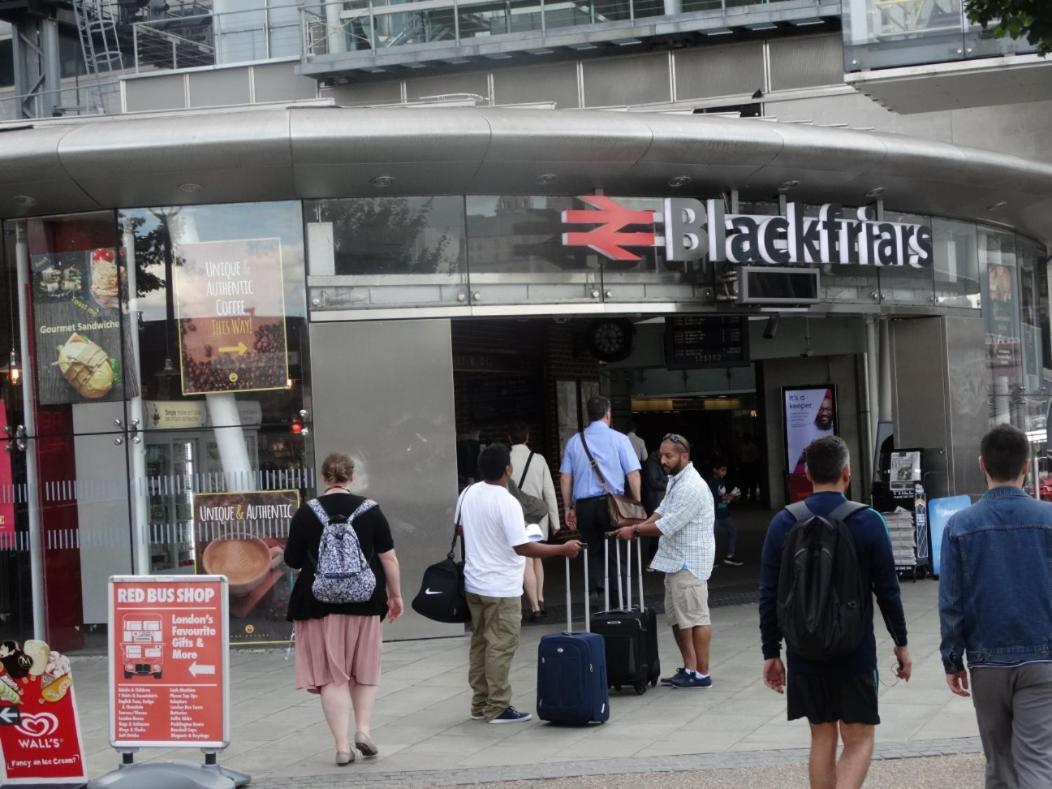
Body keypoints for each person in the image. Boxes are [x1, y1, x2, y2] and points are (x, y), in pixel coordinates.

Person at [759, 436, 911, 789]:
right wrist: (900, 643)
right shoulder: (869, 521)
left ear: (808, 474)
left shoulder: (783, 523)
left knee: (821, 738)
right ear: (847, 472)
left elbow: (769, 594)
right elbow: (888, 590)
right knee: (859, 739)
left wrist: (771, 652)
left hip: (804, 650)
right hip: (854, 650)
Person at [938, 423, 1052, 789]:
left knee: (999, 763)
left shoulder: (959, 525)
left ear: (981, 464)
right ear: (1026, 464)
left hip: (987, 659)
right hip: (1043, 656)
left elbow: (951, 601)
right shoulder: (1048, 519)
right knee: (1038, 761)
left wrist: (952, 658)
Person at [284, 452, 403, 766]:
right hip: (364, 602)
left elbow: (293, 560)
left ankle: (341, 746)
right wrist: (395, 596)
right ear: (351, 478)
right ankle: (363, 730)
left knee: (332, 677)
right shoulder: (371, 511)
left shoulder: (306, 512)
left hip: (318, 605)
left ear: (325, 479)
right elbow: (388, 558)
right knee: (364, 670)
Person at [459, 444, 584, 723]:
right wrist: (562, 549)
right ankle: (498, 706)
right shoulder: (507, 501)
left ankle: (480, 703)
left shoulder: (467, 493)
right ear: (508, 469)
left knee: (480, 643)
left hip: (474, 583)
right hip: (501, 586)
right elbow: (523, 548)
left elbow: (460, 528)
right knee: (500, 645)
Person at [612, 433, 715, 689]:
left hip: (689, 562)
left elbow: (666, 525)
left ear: (684, 456)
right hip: (675, 561)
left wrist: (634, 531)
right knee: (678, 619)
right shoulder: (675, 480)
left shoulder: (691, 485)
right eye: (661, 455)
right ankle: (689, 669)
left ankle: (702, 673)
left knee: (696, 618)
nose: (663, 461)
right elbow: (661, 511)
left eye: (669, 456)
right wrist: (638, 524)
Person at [560, 396, 642, 597]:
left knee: (592, 551)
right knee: (616, 552)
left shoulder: (574, 442)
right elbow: (633, 474)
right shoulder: (620, 439)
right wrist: (637, 503)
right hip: (613, 505)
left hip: (584, 506)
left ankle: (597, 595)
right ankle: (618, 599)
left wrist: (568, 507)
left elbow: (565, 477)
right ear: (608, 413)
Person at [509, 420, 560, 621]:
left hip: (516, 516)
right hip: (537, 517)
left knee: (526, 561)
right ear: (528, 437)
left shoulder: (506, 460)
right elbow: (549, 491)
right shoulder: (538, 459)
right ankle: (540, 597)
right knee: (537, 558)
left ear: (509, 437)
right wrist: (555, 521)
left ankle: (534, 607)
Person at [706, 459, 743, 566]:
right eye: (722, 470)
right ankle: (710, 560)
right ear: (715, 470)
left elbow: (722, 498)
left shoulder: (720, 481)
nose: (724, 473)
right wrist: (729, 497)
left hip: (724, 513)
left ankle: (730, 556)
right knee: (712, 537)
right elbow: (717, 497)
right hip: (715, 515)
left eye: (725, 470)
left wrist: (730, 498)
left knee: (733, 531)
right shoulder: (711, 482)